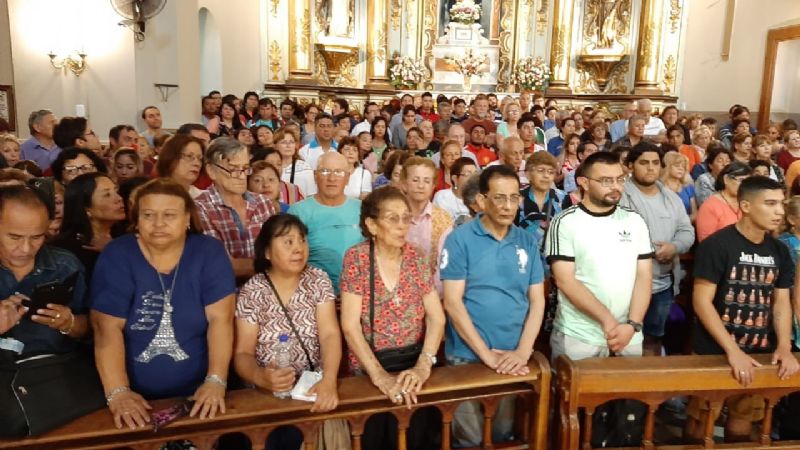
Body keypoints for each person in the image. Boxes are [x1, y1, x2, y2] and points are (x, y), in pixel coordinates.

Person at [91, 178, 236, 429]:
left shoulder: (208, 252)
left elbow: (220, 320)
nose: (158, 224)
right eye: (148, 215)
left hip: (198, 391)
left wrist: (215, 380)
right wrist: (118, 392)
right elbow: (106, 329)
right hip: (133, 394)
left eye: (169, 214)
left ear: (187, 218)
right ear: (136, 219)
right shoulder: (117, 254)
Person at [686, 176, 799, 443]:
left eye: (781, 204)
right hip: (713, 350)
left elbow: (781, 301)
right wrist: (732, 351)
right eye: (770, 204)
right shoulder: (718, 245)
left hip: (759, 349)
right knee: (699, 425)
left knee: (742, 427)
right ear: (746, 205)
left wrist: (783, 346)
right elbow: (701, 301)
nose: (779, 211)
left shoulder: (779, 250)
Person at [441, 165, 546, 447]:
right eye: (499, 198)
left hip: (512, 356)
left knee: (502, 436)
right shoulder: (460, 239)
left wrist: (523, 351)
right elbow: (452, 303)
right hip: (467, 355)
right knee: (470, 439)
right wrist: (485, 355)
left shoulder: (526, 240)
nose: (508, 206)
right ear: (482, 200)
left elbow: (537, 301)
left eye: (514, 198)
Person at [340, 187, 445, 450]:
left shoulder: (416, 257)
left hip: (413, 365)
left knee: (417, 437)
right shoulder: (358, 258)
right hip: (370, 369)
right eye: (392, 218)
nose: (402, 226)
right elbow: (350, 326)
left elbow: (436, 318)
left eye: (405, 218)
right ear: (372, 225)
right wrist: (380, 377)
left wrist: (423, 364)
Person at [234, 214, 343, 448]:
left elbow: (330, 335)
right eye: (288, 242)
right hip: (266, 398)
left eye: (302, 240)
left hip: (311, 392)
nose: (298, 249)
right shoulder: (253, 291)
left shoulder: (317, 280)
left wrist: (329, 379)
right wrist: (260, 377)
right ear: (267, 252)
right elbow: (242, 354)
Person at [0, 185, 99, 436]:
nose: (25, 248)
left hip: (55, 369)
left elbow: (90, 329)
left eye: (37, 237)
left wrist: (68, 323)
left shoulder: (64, 264)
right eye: (14, 237)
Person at [546, 151, 653, 362]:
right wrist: (609, 322)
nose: (615, 186)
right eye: (606, 180)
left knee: (629, 395)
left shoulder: (634, 220)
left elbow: (644, 276)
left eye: (619, 179)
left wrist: (632, 324)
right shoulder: (565, 222)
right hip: (580, 334)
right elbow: (565, 280)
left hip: (628, 333)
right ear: (584, 182)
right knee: (573, 394)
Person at [619, 143, 695, 355]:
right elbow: (617, 233)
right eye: (644, 163)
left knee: (654, 337)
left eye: (655, 163)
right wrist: (652, 250)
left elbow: (686, 231)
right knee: (625, 338)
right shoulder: (621, 195)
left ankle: (648, 385)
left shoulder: (671, 198)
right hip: (628, 284)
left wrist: (674, 247)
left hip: (663, 283)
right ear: (631, 165)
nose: (650, 168)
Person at [195, 137, 277, 280]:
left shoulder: (263, 203)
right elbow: (220, 265)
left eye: (245, 168)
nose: (241, 176)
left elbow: (278, 250)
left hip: (268, 292)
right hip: (225, 293)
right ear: (211, 170)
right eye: (233, 169)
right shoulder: (200, 208)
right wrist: (273, 265)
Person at [288, 152, 362, 293]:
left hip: (358, 293)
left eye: (339, 172)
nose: (332, 178)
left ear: (347, 178)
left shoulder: (362, 210)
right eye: (325, 171)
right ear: (315, 176)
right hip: (312, 293)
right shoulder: (298, 212)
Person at [51, 172, 125, 282]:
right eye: (107, 195)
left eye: (116, 191)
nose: (119, 198)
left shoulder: (128, 237)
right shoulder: (66, 249)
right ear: (86, 208)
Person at [402, 157, 454, 273]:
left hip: (431, 286)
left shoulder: (443, 220)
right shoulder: (392, 215)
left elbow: (445, 264)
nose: (421, 186)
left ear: (433, 186)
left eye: (427, 181)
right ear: (404, 184)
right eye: (415, 180)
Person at [696, 161, 752, 242]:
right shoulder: (709, 206)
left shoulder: (749, 202)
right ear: (726, 179)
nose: (745, 185)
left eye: (748, 182)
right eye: (741, 180)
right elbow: (706, 243)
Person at [156, 134, 206, 199]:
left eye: (200, 159)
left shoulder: (204, 198)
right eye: (189, 156)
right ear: (171, 158)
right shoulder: (152, 195)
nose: (197, 164)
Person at [272, 128, 316, 198]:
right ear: (275, 146)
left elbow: (312, 195)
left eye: (291, 142)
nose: (288, 145)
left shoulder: (304, 167)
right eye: (284, 142)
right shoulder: (270, 167)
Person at [433, 157, 478, 223]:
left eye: (475, 174)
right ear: (455, 179)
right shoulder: (442, 197)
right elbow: (438, 224)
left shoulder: (480, 198)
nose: (473, 178)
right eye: (468, 174)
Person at [661, 151, 698, 220]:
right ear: (668, 167)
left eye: (683, 167)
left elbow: (695, 214)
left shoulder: (688, 187)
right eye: (677, 166)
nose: (681, 169)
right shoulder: (659, 187)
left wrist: (683, 224)